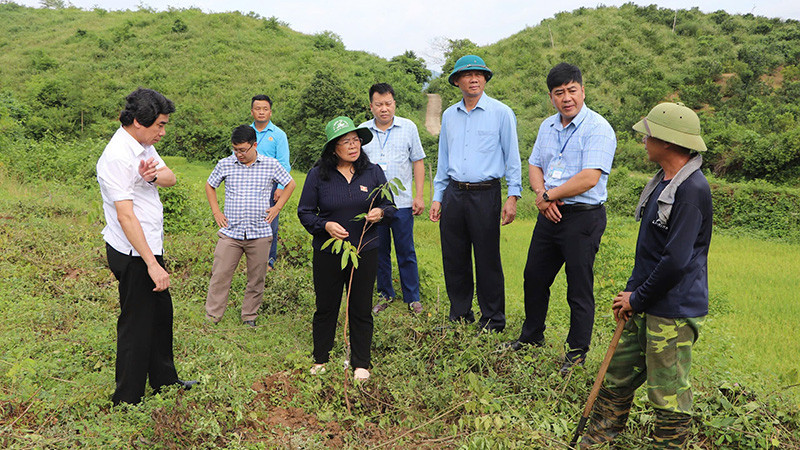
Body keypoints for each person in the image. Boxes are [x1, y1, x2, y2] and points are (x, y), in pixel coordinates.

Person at [580, 102, 712, 448]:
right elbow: (649, 250)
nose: (644, 139)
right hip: (646, 300)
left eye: (649, 134)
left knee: (667, 391)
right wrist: (630, 295)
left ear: (667, 141)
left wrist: (638, 297)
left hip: (673, 309)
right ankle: (595, 440)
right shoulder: (661, 182)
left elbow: (676, 261)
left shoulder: (691, 190)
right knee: (618, 375)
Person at [505, 63, 616, 374]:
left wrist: (547, 197)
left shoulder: (598, 128)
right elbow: (535, 165)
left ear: (582, 90)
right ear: (551, 97)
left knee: (578, 287)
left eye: (571, 90)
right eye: (559, 93)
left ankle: (576, 353)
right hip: (549, 214)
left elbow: (589, 178)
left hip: (583, 217)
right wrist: (543, 196)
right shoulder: (547, 127)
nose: (566, 98)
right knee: (534, 277)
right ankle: (531, 337)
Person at [96, 88, 196, 405]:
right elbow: (126, 215)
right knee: (136, 324)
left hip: (149, 247)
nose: (163, 132)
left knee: (160, 315)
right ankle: (127, 398)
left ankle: (164, 380)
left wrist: (151, 177)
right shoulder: (117, 157)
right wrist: (152, 264)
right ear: (139, 121)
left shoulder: (142, 146)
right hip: (134, 253)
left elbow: (171, 178)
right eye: (160, 125)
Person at [297, 116, 395, 381]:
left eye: (355, 141)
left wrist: (379, 212)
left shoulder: (372, 171)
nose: (353, 146)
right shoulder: (319, 175)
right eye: (345, 142)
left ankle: (361, 362)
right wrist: (325, 225)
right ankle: (321, 358)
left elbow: (390, 207)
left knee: (361, 307)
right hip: (329, 252)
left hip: (365, 249)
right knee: (326, 306)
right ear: (333, 148)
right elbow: (304, 212)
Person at [429, 55, 522, 333]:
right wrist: (437, 195)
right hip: (454, 193)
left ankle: (493, 320)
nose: (474, 79)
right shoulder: (449, 116)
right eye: (467, 75)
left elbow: (512, 157)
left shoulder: (501, 113)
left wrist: (512, 196)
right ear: (457, 81)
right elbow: (443, 158)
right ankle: (459, 314)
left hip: (486, 194)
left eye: (479, 74)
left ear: (485, 79)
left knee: (487, 257)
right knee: (454, 256)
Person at [204, 125, 296, 327]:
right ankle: (212, 317)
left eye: (243, 150)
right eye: (235, 149)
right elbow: (210, 185)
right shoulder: (225, 164)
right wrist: (216, 212)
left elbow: (290, 183)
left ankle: (249, 317)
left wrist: (277, 207)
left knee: (256, 278)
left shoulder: (270, 165)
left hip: (260, 232)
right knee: (220, 275)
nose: (239, 154)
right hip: (231, 232)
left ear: (254, 145)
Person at [359, 83, 426, 314]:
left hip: (402, 203)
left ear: (394, 103)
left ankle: (412, 297)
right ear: (371, 106)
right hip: (373, 206)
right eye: (379, 104)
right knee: (378, 251)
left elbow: (418, 161)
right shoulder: (362, 131)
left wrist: (419, 196)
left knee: (406, 250)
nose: (384, 109)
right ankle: (384, 294)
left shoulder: (408, 127)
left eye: (388, 104)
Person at [250, 95, 291, 270]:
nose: (261, 112)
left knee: (270, 223)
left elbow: (284, 163)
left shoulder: (279, 135)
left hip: (272, 184)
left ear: (270, 112)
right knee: (250, 220)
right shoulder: (246, 132)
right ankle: (252, 260)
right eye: (258, 108)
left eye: (264, 109)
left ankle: (269, 261)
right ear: (252, 111)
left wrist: (281, 187)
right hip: (249, 184)